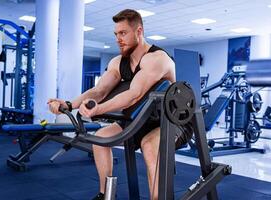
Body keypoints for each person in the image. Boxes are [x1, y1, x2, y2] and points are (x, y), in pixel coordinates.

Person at [48, 9, 188, 200]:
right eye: (116, 34)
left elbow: (133, 94)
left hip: (170, 122)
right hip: (140, 118)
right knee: (100, 138)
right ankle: (106, 195)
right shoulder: (118, 62)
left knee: (149, 146)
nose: (118, 39)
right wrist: (70, 104)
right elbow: (99, 91)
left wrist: (99, 109)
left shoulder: (157, 59)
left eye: (123, 33)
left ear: (139, 32)